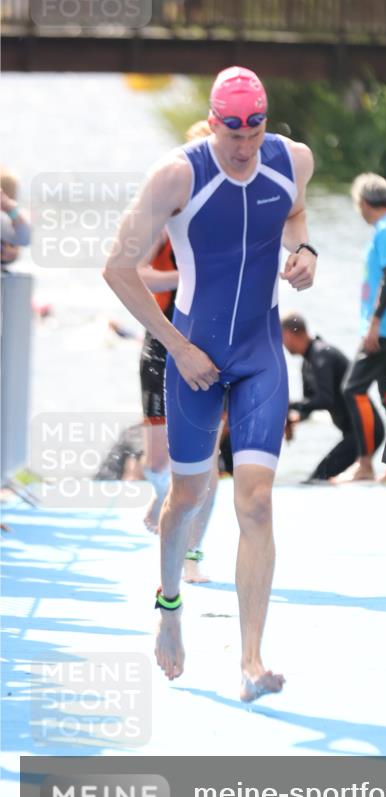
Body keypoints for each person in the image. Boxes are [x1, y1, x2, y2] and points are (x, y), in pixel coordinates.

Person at [103, 66, 317, 701]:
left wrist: (305, 251)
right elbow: (116, 268)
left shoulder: (293, 160)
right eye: (233, 132)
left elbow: (296, 212)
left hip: (260, 353)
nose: (245, 145)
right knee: (187, 497)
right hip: (193, 353)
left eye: (255, 131)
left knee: (256, 502)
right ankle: (169, 608)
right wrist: (178, 346)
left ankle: (251, 661)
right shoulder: (177, 175)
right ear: (213, 122)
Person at [138, 119, 225, 586]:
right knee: (156, 462)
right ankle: (165, 496)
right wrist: (183, 276)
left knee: (208, 460)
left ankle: (192, 553)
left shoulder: (231, 213)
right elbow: (133, 272)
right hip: (163, 339)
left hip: (210, 343)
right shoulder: (164, 213)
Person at [340, 173, 386, 482]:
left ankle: (364, 464)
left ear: (363, 202)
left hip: (385, 327)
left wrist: (374, 323)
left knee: (353, 389)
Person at [281, 313, 383, 482]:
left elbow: (325, 400)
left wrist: (289, 405)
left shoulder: (321, 354)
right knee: (320, 477)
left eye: (282, 337)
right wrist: (294, 418)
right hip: (352, 433)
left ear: (290, 333)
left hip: (367, 430)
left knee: (318, 478)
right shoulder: (307, 362)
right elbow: (310, 405)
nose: (282, 344)